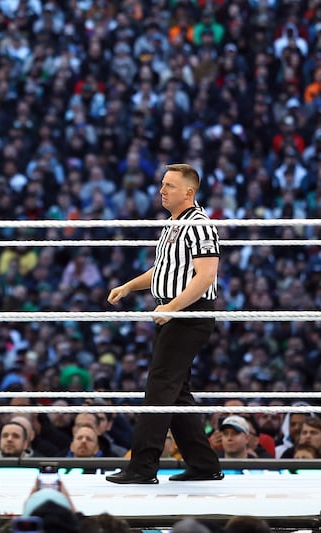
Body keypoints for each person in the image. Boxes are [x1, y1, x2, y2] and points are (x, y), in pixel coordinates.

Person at [106, 163, 223, 484]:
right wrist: (129, 285)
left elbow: (207, 275)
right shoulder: (173, 225)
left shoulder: (199, 225)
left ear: (189, 192)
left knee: (159, 387)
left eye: (169, 186)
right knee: (176, 390)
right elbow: (162, 270)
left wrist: (172, 307)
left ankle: (142, 467)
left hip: (188, 315)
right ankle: (203, 463)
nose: (161, 190)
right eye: (162, 184)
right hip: (173, 314)